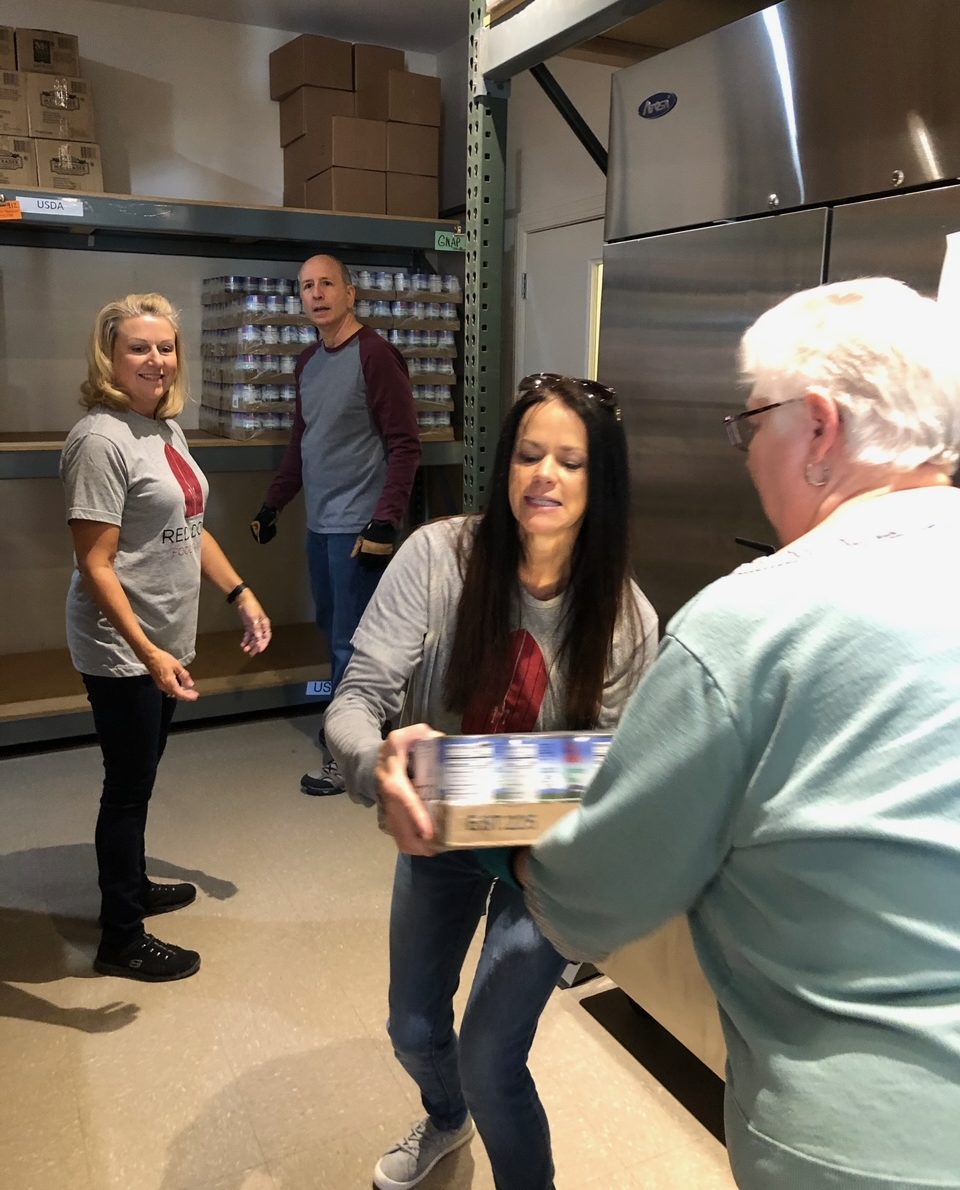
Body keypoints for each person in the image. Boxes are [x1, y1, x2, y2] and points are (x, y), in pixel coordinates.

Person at [516, 279, 960, 1188]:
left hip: (866, 1143)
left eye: (755, 422)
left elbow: (594, 891)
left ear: (821, 431)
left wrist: (471, 812)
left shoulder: (751, 622)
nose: (749, 451)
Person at [324, 373, 658, 1190]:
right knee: (412, 1027)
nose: (545, 475)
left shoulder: (624, 617)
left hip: (546, 861)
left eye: (571, 462)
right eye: (529, 454)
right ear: (504, 464)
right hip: (440, 830)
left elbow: (617, 782)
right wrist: (378, 767)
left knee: (490, 1056)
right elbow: (355, 704)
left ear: (600, 481)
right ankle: (445, 1120)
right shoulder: (439, 558)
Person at [61, 293, 272, 983]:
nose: (156, 360)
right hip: (123, 646)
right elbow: (95, 563)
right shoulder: (101, 439)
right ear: (110, 356)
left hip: (165, 638)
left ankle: (132, 885)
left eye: (165, 347)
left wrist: (239, 593)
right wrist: (146, 652)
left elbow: (192, 526)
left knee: (141, 777)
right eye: (139, 348)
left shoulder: (163, 429)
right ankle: (120, 935)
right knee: (126, 785)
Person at [250, 253, 421, 797]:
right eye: (306, 286)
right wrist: (273, 504)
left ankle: (344, 759)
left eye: (328, 283)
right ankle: (378, 740)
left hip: (361, 527)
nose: (317, 293)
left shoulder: (375, 355)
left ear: (351, 293)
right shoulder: (307, 363)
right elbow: (303, 443)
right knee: (334, 630)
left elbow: (405, 446)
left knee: (351, 645)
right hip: (321, 524)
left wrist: (386, 521)